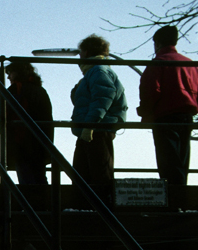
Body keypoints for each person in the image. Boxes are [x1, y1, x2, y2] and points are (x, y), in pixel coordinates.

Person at [70, 34, 128, 207]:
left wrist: (90, 125)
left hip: (96, 130)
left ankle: (98, 212)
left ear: (86, 52)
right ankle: (94, 210)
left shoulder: (98, 70)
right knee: (89, 173)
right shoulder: (97, 71)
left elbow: (104, 96)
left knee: (94, 174)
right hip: (94, 128)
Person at [137, 25, 198, 187]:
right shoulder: (190, 64)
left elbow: (151, 91)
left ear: (157, 43)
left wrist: (145, 113)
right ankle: (181, 199)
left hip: (165, 117)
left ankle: (173, 199)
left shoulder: (158, 63)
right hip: (187, 117)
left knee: (168, 161)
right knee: (182, 159)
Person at [0, 61, 54, 185]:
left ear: (18, 73)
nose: (9, 77)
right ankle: (45, 202)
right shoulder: (40, 90)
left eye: (10, 73)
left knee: (26, 178)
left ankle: (30, 202)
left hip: (21, 142)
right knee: (40, 177)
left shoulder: (15, 90)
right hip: (40, 142)